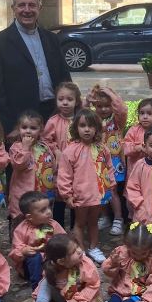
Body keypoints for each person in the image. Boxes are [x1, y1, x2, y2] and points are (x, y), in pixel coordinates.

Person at [0, 0, 71, 135]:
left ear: (40, 8)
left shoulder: (52, 39)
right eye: (21, 5)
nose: (27, 10)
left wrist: (70, 112)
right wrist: (11, 125)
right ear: (13, 9)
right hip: (21, 120)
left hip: (53, 113)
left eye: (32, 5)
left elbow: (64, 77)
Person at [57, 108, 115, 264]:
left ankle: (94, 247)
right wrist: (67, 194)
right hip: (80, 195)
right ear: (76, 128)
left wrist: (110, 186)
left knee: (94, 222)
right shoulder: (71, 151)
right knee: (79, 223)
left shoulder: (102, 149)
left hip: (98, 194)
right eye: (82, 125)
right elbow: (64, 174)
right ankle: (81, 251)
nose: (87, 129)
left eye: (91, 126)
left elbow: (109, 168)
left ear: (97, 127)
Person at [83, 223, 152, 302]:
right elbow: (105, 269)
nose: (138, 256)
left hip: (138, 295)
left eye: (143, 253)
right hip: (120, 290)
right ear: (127, 245)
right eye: (134, 252)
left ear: (151, 247)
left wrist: (148, 300)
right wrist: (114, 263)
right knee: (114, 301)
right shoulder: (121, 252)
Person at [23, 235, 101, 302]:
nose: (79, 251)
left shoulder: (85, 265)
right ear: (61, 261)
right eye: (73, 252)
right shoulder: (53, 268)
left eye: (77, 246)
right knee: (46, 281)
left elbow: (93, 285)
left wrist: (77, 299)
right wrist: (37, 296)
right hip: (62, 296)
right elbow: (43, 283)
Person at [88, 85, 128, 236]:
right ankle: (105, 217)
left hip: (115, 161)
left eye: (107, 106)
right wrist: (89, 98)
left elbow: (122, 109)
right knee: (100, 190)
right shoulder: (93, 121)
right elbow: (82, 114)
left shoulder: (117, 122)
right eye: (99, 106)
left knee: (112, 191)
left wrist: (112, 95)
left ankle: (118, 219)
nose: (104, 109)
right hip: (98, 161)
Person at [42, 82, 82, 228]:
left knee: (75, 197)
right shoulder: (53, 121)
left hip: (78, 166)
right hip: (60, 168)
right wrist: (56, 150)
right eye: (61, 99)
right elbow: (45, 140)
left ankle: (74, 229)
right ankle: (57, 228)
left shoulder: (80, 120)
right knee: (59, 199)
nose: (65, 102)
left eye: (69, 99)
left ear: (76, 101)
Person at [10, 192, 66, 289]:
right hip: (32, 266)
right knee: (34, 257)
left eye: (49, 207)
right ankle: (37, 287)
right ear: (29, 217)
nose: (49, 212)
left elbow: (64, 239)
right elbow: (15, 251)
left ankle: (62, 280)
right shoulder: (21, 230)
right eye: (43, 210)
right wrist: (24, 251)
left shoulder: (53, 224)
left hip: (50, 261)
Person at [8, 111, 56, 221]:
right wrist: (25, 148)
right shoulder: (16, 147)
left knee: (43, 220)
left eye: (33, 128)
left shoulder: (44, 146)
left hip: (43, 192)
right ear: (18, 129)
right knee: (23, 220)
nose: (28, 131)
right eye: (24, 127)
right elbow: (18, 165)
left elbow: (51, 166)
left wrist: (55, 183)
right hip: (25, 194)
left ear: (41, 130)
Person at [122, 98, 152, 174]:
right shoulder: (133, 130)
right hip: (135, 172)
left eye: (149, 113)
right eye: (142, 113)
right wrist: (137, 148)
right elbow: (125, 148)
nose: (145, 117)